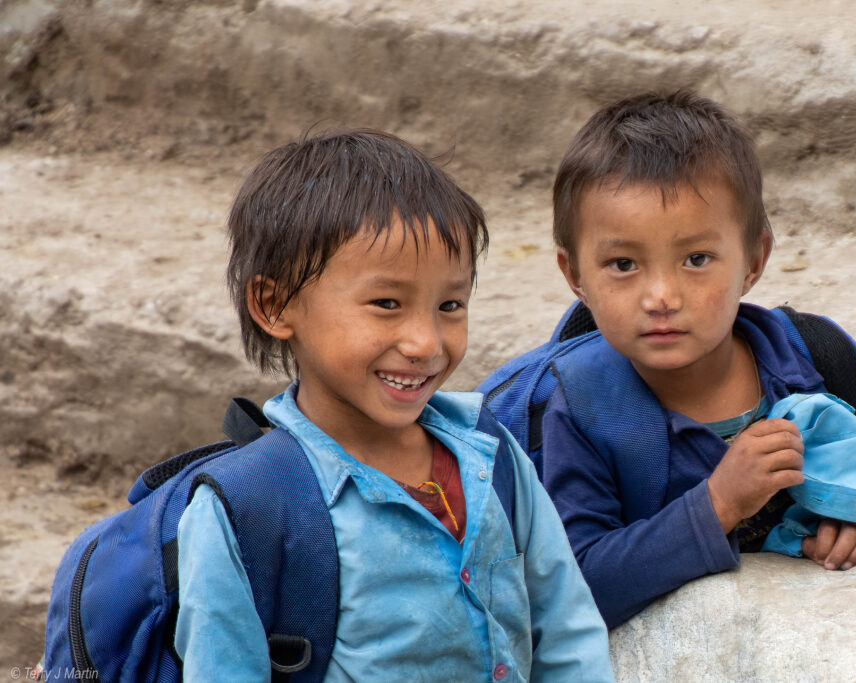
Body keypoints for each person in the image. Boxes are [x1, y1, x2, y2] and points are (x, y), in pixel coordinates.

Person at [173, 130, 613, 681]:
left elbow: (567, 631)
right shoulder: (248, 509)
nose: (426, 343)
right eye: (387, 303)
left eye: (450, 304)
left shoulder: (491, 455)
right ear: (274, 303)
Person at [537, 91, 856, 627]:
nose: (661, 295)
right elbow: (578, 584)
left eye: (696, 259)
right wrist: (719, 504)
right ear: (575, 276)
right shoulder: (582, 408)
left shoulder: (812, 359)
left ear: (753, 260)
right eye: (622, 264)